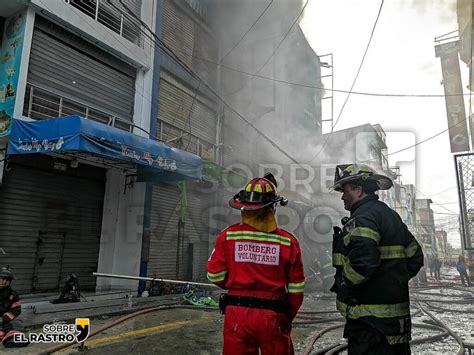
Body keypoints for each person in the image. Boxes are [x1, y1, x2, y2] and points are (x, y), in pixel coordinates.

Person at [330, 164, 424, 355]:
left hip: (369, 325)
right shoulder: (390, 215)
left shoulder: (363, 217)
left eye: (345, 191)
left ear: (358, 190)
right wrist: (391, 280)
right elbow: (415, 256)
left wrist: (344, 284)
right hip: (395, 324)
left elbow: (362, 265)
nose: (342, 197)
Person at [207, 173, 305, 355]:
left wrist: (238, 282)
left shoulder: (228, 236)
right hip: (273, 315)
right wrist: (285, 317)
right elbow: (296, 290)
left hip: (237, 314)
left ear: (243, 207)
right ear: (272, 207)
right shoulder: (288, 242)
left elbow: (215, 275)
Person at [0, 267, 28, 348]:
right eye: (2, 279)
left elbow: (16, 309)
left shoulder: (13, 295)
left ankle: (10, 339)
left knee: (17, 324)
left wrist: (4, 318)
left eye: (7, 280)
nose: (5, 282)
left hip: (5, 320)